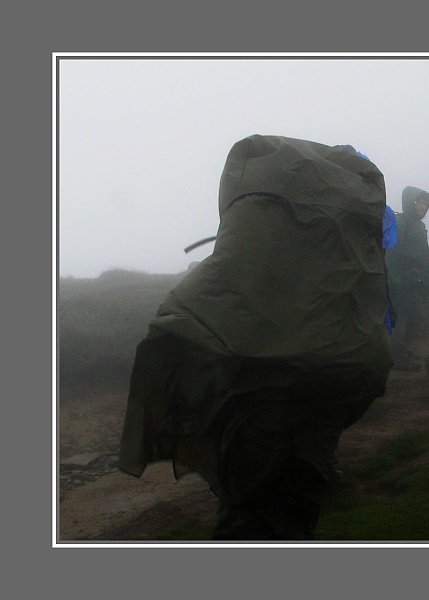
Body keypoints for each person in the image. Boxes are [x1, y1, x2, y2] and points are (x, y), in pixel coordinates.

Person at [117, 135, 393, 540]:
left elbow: (184, 319)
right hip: (333, 385)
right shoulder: (347, 251)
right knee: (298, 498)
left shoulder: (246, 256)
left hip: (258, 397)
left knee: (247, 505)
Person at [385, 186, 429, 371]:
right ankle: (398, 357)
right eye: (419, 202)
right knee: (403, 317)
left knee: (416, 316)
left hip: (414, 279)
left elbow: (423, 257)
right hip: (400, 279)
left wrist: (428, 282)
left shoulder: (419, 225)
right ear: (409, 202)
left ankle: (400, 351)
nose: (422, 206)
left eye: (425, 203)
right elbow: (392, 254)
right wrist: (395, 280)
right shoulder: (400, 223)